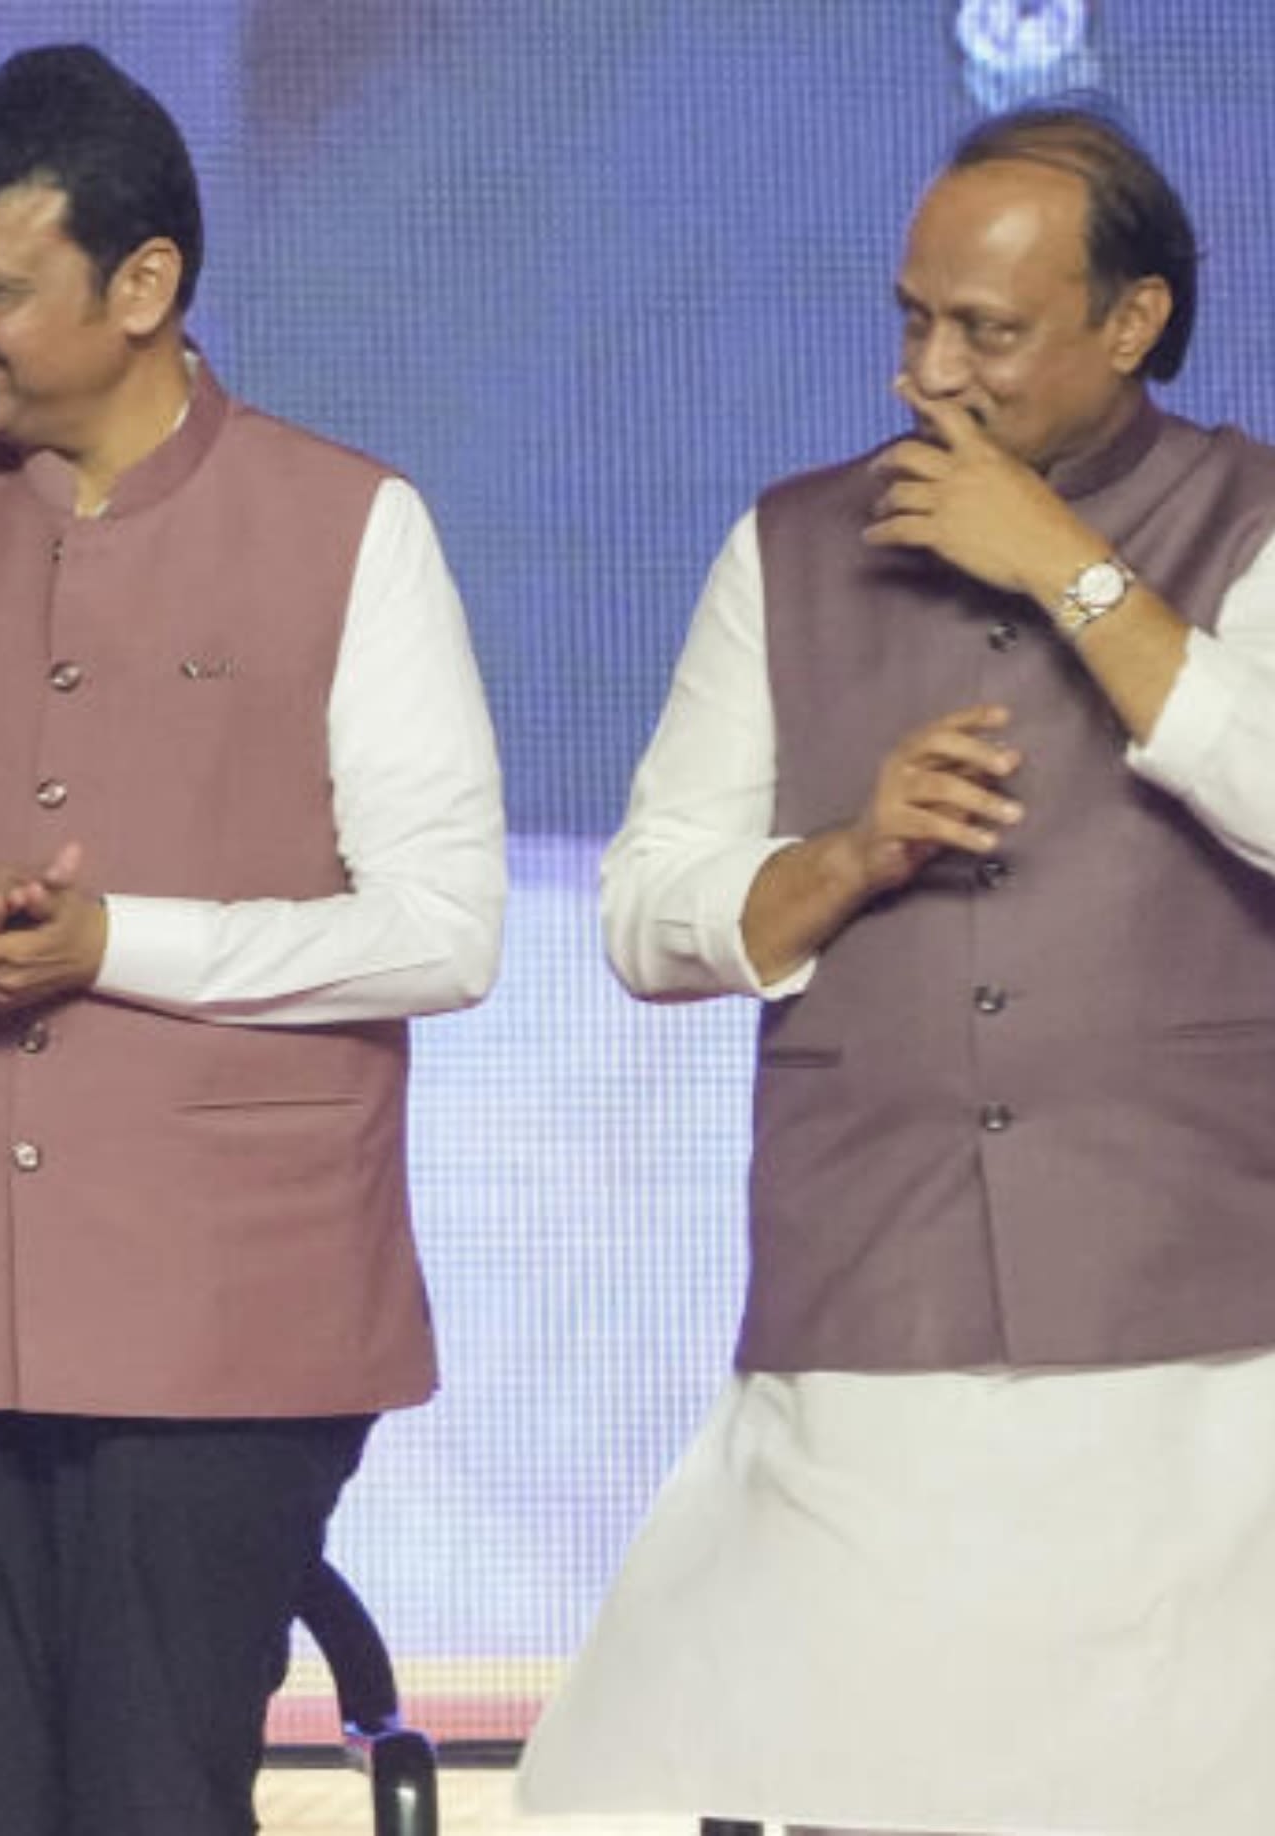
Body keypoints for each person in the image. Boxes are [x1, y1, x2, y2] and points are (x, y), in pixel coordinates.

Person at [0, 45, 505, 1836]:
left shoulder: (349, 525)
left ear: (142, 287)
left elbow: (439, 931)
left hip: (224, 1310)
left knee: (152, 1796)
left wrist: (114, 944)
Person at [521, 106, 1275, 1836]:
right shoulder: (784, 547)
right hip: (873, 1322)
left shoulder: (1245, 521)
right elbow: (643, 912)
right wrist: (841, 856)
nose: (924, 373)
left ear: (1130, 324)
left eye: (985, 333)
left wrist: (1065, 572)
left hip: (1196, 1344)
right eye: (911, 320)